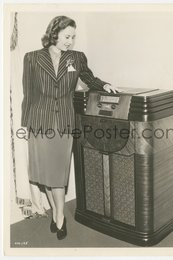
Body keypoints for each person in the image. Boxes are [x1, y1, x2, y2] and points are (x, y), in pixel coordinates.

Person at [21, 15, 118, 240]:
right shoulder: (32, 58)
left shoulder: (76, 57)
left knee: (57, 173)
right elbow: (29, 92)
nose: (70, 41)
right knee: (43, 173)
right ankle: (56, 211)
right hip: (39, 122)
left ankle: (60, 216)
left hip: (64, 122)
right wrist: (26, 125)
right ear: (54, 33)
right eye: (67, 36)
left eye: (73, 37)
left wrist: (104, 84)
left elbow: (88, 77)